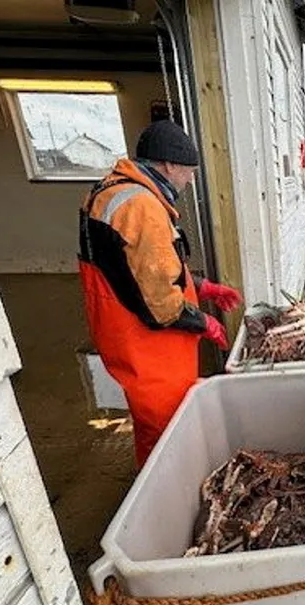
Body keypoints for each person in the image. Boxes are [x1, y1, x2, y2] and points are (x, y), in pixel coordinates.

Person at [78, 120, 242, 468]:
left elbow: (136, 271)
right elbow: (160, 307)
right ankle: (169, 503)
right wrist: (205, 323)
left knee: (150, 426)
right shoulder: (142, 207)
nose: (191, 179)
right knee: (170, 432)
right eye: (190, 171)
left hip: (123, 334)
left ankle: (150, 481)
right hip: (148, 345)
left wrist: (201, 287)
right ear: (169, 165)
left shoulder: (109, 190)